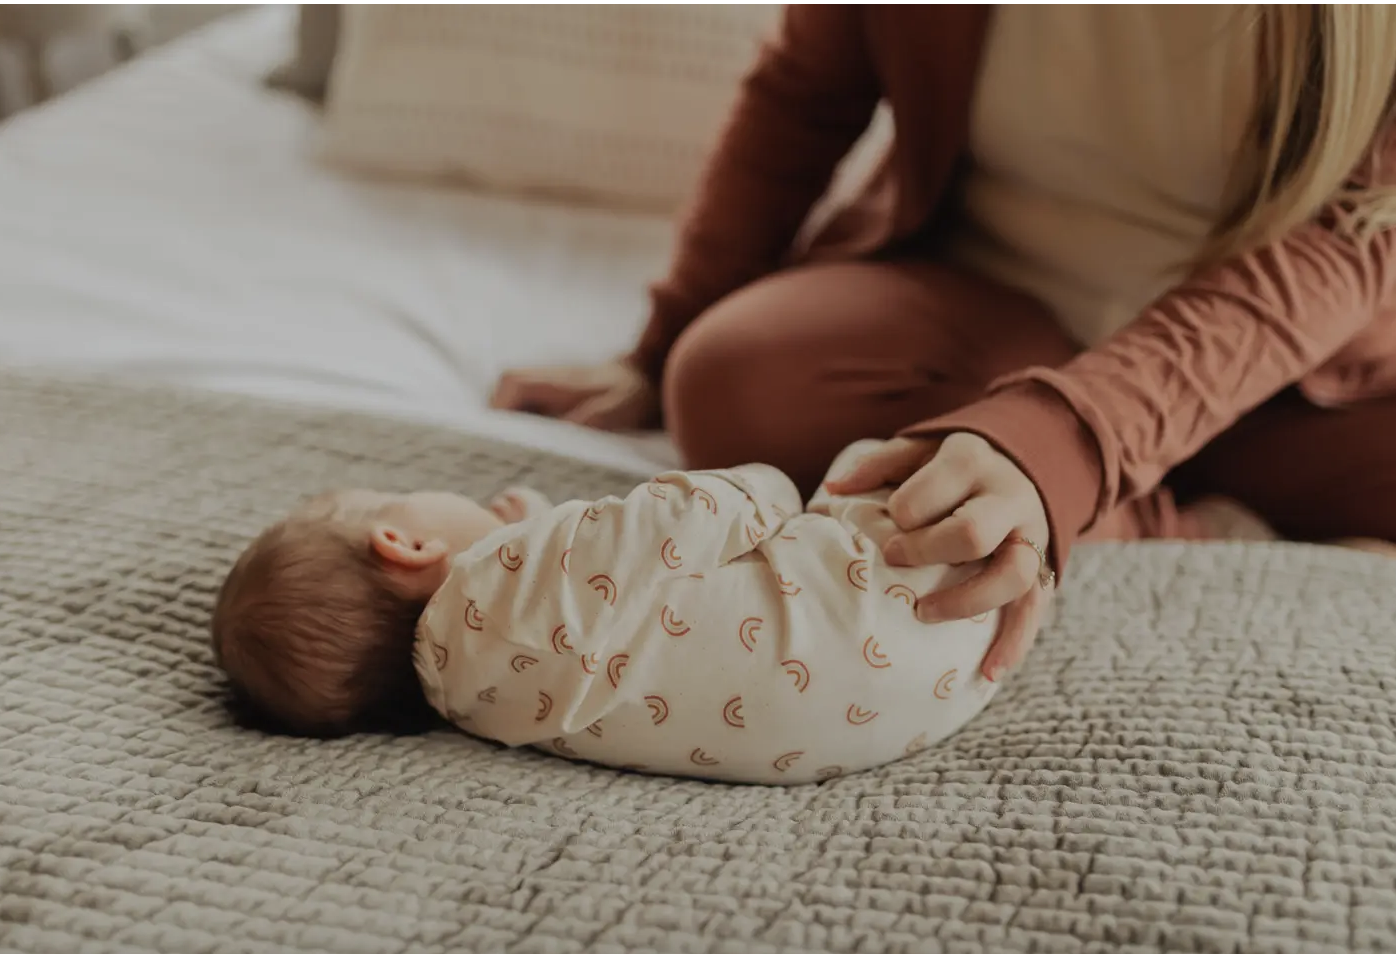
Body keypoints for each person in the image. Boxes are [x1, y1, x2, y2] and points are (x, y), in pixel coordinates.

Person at [490, 6, 1396, 683]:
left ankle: (1104, 509)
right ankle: (1174, 527)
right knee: (735, 380)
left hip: (1293, 371)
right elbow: (805, 98)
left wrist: (1067, 443)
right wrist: (660, 343)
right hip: (984, 317)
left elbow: (1347, 246)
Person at [210, 441, 1003, 784]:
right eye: (395, 494)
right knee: (873, 462)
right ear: (400, 540)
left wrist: (539, 527)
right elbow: (684, 518)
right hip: (924, 592)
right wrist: (766, 484)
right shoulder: (504, 582)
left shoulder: (473, 703)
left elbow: (611, 626)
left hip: (910, 702)